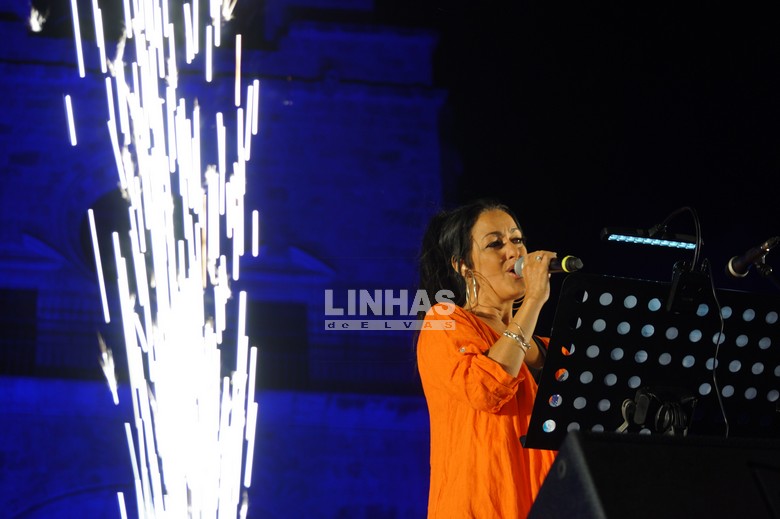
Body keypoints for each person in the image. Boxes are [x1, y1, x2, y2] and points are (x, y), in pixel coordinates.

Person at [415, 198, 558, 518]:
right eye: (495, 244)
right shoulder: (444, 321)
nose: (514, 251)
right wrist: (534, 301)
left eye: (517, 239)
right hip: (480, 506)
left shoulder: (547, 347)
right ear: (463, 266)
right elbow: (485, 389)